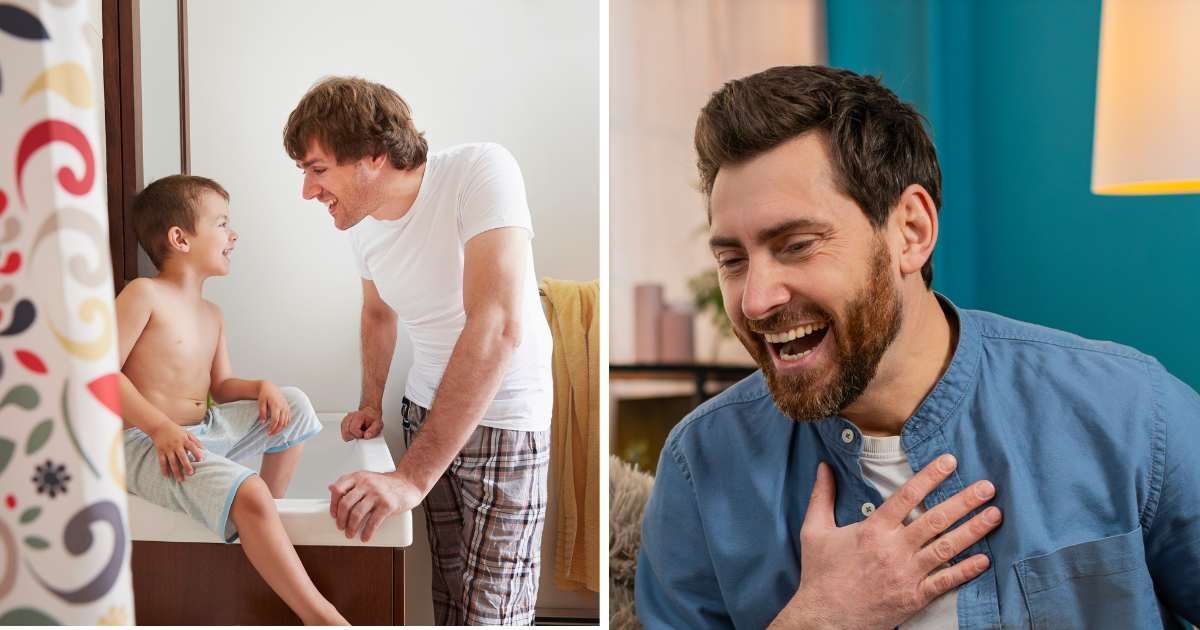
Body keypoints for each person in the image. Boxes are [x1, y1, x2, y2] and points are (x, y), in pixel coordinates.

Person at [635, 65, 1200, 629]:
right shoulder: (702, 467)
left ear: (911, 230)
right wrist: (820, 619)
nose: (756, 300)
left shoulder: (1130, 413)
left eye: (797, 245)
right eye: (732, 260)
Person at [283, 76, 553, 626]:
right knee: (452, 598)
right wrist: (369, 402)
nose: (309, 192)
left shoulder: (480, 171)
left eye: (316, 170)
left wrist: (408, 478)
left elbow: (497, 323)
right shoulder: (360, 226)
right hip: (423, 411)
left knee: (493, 615)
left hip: (504, 418)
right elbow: (378, 314)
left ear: (373, 155)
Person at [116, 175, 346, 626]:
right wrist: (159, 427)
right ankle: (321, 616)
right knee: (249, 487)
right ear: (180, 238)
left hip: (203, 436)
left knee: (295, 403)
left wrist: (260, 386)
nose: (233, 235)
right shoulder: (143, 294)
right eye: (222, 224)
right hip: (150, 445)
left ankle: (263, 520)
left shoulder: (212, 314)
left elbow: (220, 388)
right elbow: (100, 375)